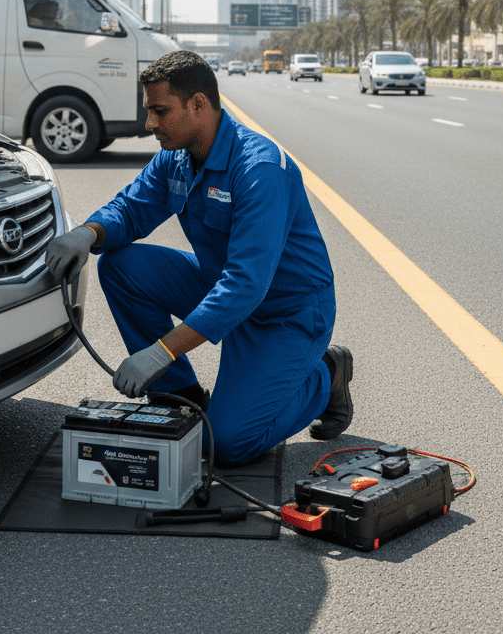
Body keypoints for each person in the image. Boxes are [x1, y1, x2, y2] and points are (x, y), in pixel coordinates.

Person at [45, 49, 353, 466]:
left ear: (198, 105)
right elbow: (133, 209)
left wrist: (160, 352)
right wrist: (88, 232)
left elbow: (247, 285)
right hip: (221, 285)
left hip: (286, 314)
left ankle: (325, 375)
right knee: (120, 266)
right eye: (148, 111)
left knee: (227, 443)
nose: (150, 123)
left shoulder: (259, 168)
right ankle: (181, 398)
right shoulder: (176, 158)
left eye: (160, 111)